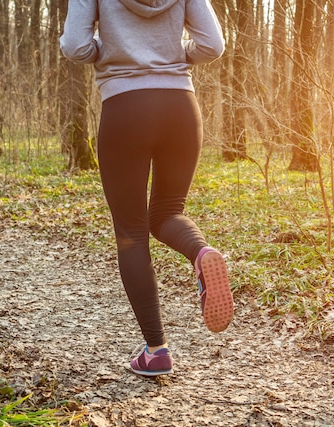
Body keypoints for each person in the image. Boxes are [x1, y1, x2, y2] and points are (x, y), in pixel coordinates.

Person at [60, 0, 234, 377]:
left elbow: (75, 46)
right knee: (169, 211)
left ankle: (156, 351)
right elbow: (213, 46)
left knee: (132, 232)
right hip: (180, 109)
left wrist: (111, 52)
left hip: (126, 107)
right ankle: (201, 253)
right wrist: (174, 52)